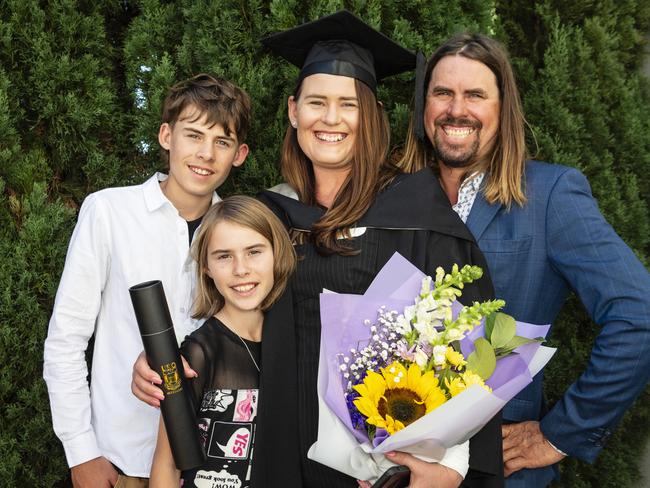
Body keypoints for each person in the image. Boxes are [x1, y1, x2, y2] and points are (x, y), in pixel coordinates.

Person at [134, 11, 503, 488]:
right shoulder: (270, 217)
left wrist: (450, 470)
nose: (331, 119)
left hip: (389, 467)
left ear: (369, 116)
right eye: (316, 102)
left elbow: (472, 351)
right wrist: (163, 360)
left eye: (348, 104)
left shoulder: (418, 211)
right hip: (282, 452)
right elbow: (226, 311)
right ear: (293, 111)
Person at [399, 33, 650, 487]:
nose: (457, 109)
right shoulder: (393, 194)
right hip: (391, 463)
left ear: (503, 108)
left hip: (495, 468)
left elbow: (639, 313)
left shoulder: (549, 196)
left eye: (475, 94)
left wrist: (560, 435)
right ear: (424, 106)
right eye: (442, 93)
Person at [43, 73, 251, 487]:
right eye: (193, 135)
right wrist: (82, 452)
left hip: (212, 468)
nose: (206, 154)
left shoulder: (243, 236)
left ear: (239, 154)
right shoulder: (108, 213)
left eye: (222, 143)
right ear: (165, 135)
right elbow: (66, 340)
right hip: (120, 461)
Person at [149, 195, 298, 488]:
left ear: (277, 254)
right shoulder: (199, 352)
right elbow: (166, 465)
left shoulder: (297, 339)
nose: (240, 269)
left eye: (254, 252)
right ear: (206, 267)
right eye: (224, 256)